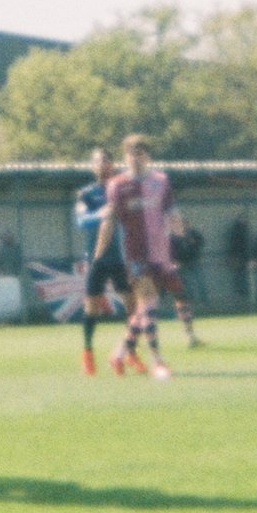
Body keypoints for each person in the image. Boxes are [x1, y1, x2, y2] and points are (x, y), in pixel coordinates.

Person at [90, 134, 199, 374]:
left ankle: (119, 354)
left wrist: (180, 232)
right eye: (131, 154)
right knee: (149, 303)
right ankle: (157, 359)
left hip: (161, 253)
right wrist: (98, 255)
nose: (135, 159)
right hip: (135, 255)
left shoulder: (161, 181)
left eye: (140, 154)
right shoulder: (117, 184)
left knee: (144, 309)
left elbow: (171, 212)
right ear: (125, 157)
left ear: (148, 157)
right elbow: (109, 221)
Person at [75, 148, 132, 375]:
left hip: (121, 258)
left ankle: (129, 353)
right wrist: (101, 214)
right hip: (96, 258)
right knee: (92, 309)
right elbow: (81, 221)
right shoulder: (87, 194)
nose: (103, 164)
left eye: (106, 160)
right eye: (98, 161)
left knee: (133, 308)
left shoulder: (120, 189)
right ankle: (88, 353)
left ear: (112, 164)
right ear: (92, 166)